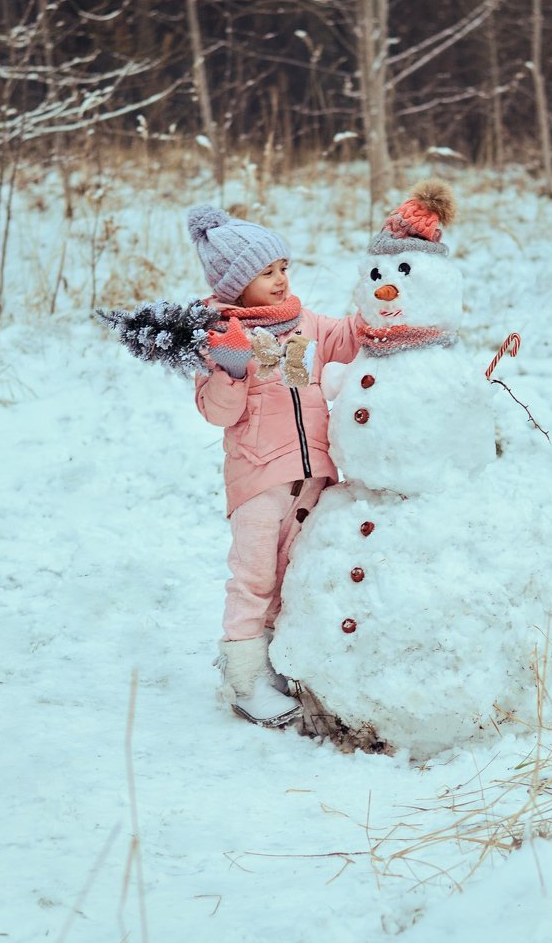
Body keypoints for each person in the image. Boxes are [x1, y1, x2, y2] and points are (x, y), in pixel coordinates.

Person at [188, 204, 361, 728]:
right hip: (259, 479)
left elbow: (351, 336)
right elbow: (217, 413)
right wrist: (232, 371)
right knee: (255, 579)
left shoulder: (308, 324)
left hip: (313, 477)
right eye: (267, 273)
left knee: (292, 574)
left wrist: (390, 299)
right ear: (236, 285)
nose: (281, 279)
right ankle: (245, 679)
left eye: (283, 267)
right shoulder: (221, 338)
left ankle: (277, 663)